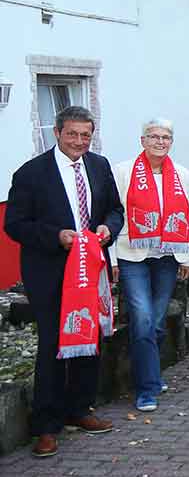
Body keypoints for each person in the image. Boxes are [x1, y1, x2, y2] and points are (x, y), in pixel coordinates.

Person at [5, 106, 124, 458]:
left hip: (92, 267)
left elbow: (114, 210)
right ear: (56, 133)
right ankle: (46, 425)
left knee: (90, 336)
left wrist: (108, 229)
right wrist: (57, 236)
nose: (79, 141)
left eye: (85, 135)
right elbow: (14, 224)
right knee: (54, 343)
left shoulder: (99, 166)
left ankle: (80, 408)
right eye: (72, 134)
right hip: (50, 271)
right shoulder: (31, 173)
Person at [112, 118, 189, 413]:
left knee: (157, 323)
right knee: (143, 319)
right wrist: (111, 258)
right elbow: (113, 213)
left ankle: (149, 373)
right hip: (131, 254)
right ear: (142, 140)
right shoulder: (123, 171)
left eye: (166, 137)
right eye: (154, 136)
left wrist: (186, 256)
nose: (160, 142)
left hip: (167, 258)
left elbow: (187, 213)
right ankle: (147, 388)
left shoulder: (182, 174)